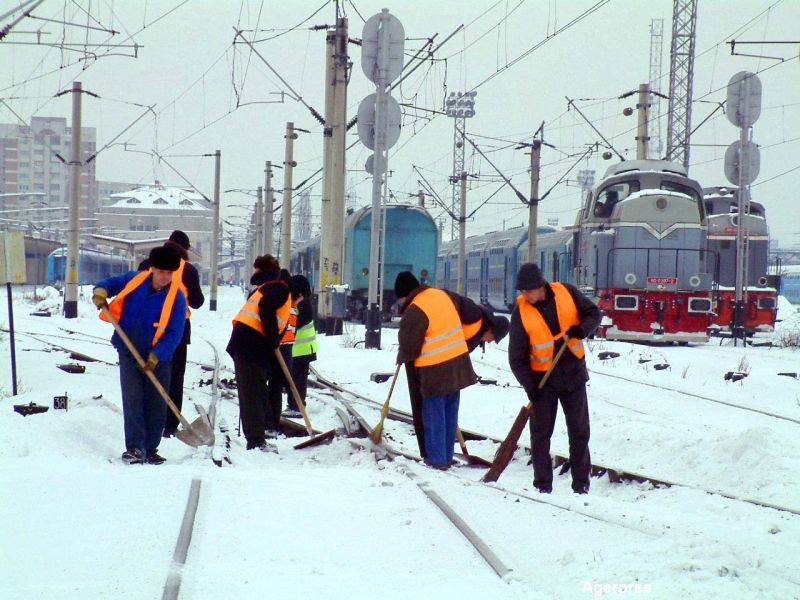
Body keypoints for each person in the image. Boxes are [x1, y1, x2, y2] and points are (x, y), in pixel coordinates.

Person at [507, 263, 600, 494]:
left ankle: (581, 485)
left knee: (579, 432)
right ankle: (543, 486)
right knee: (540, 435)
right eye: (522, 291)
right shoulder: (521, 311)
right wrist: (530, 386)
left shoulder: (566, 292)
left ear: (541, 287)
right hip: (543, 382)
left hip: (574, 375)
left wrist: (583, 329)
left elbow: (593, 313)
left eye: (528, 290)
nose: (524, 295)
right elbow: (516, 357)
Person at [93, 245, 187, 465]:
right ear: (153, 269)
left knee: (156, 401)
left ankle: (151, 447)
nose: (165, 277)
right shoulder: (135, 280)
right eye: (161, 272)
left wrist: (157, 356)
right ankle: (135, 447)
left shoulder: (177, 297)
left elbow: (175, 332)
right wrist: (101, 291)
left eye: (169, 273)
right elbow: (110, 283)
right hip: (128, 349)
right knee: (133, 397)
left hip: (158, 357)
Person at [405, 286, 510, 458]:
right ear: (490, 330)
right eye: (493, 339)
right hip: (441, 369)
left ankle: (439, 459)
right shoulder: (474, 322)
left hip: (441, 370)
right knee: (441, 414)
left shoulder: (474, 322)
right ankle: (442, 457)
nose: (490, 342)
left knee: (437, 414)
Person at [395, 271, 477, 470]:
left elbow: (410, 346)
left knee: (434, 416)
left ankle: (437, 460)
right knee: (450, 414)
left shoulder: (415, 309)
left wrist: (401, 355)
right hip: (458, 364)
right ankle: (446, 457)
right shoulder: (440, 295)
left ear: (405, 294)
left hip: (435, 370)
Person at [138, 230, 205, 438]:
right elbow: (197, 301)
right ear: (184, 249)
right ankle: (169, 424)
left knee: (148, 374)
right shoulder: (188, 269)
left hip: (148, 327)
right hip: (177, 329)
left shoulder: (146, 264)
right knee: (175, 378)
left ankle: (147, 419)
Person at [226, 255, 291, 451]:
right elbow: (266, 310)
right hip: (250, 345)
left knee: (254, 392)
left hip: (246, 345)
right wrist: (272, 340)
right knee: (253, 394)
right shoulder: (279, 289)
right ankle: (255, 441)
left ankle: (256, 437)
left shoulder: (262, 289)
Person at [288, 274, 317, 411]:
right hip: (300, 349)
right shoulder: (300, 301)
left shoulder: (302, 303)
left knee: (298, 381)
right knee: (295, 380)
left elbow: (301, 321)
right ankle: (294, 405)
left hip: (302, 349)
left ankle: (297, 406)